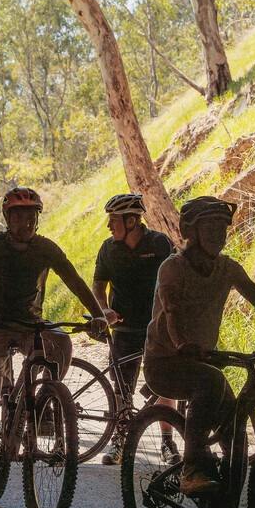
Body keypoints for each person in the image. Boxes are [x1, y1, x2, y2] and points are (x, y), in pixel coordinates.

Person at [142, 195, 255, 504]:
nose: (218, 236)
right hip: (164, 363)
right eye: (210, 227)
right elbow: (170, 311)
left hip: (203, 362)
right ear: (191, 232)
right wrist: (181, 343)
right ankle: (191, 469)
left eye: (222, 228)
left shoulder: (227, 268)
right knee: (210, 383)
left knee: (236, 440)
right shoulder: (172, 268)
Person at [0, 187, 118, 488]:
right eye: (18, 215)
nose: (26, 222)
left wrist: (97, 315)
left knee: (61, 343)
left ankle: (44, 398)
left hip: (30, 322)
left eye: (31, 215)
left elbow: (74, 281)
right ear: (8, 218)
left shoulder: (46, 248)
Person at [90, 192, 174, 464]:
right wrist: (104, 309)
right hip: (124, 331)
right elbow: (98, 285)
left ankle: (168, 442)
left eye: (113, 220)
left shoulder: (160, 244)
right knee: (122, 389)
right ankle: (120, 438)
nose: (108, 225)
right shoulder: (108, 249)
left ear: (132, 221)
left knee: (164, 386)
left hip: (156, 330)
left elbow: (175, 279)